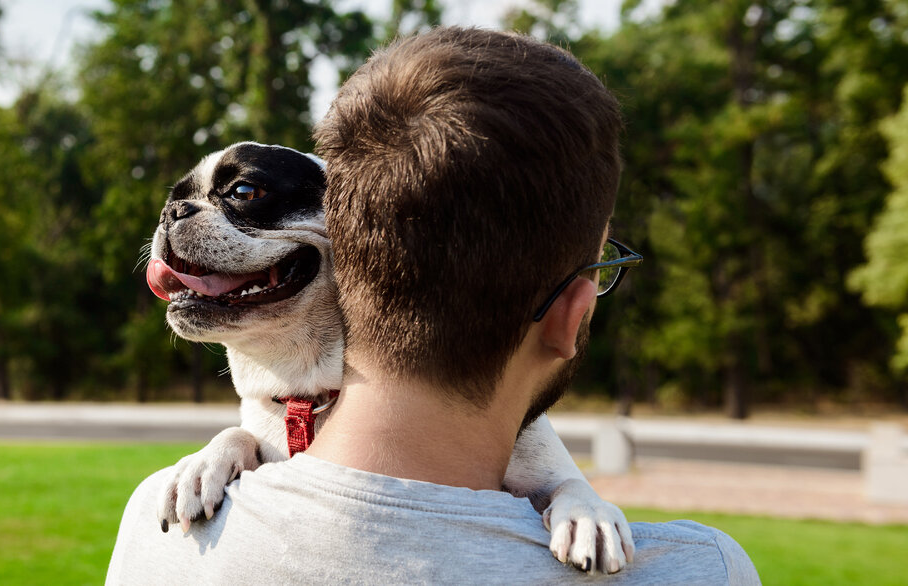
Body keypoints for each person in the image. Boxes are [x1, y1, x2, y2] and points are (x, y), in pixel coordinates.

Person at [107, 27, 759, 584]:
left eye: (244, 192)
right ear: (572, 311)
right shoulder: (703, 569)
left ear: (352, 247)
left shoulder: (155, 531)